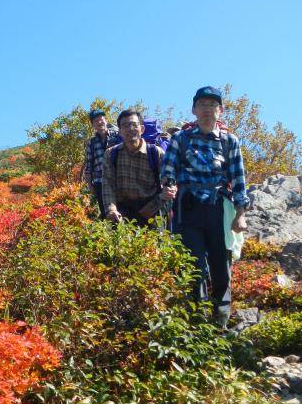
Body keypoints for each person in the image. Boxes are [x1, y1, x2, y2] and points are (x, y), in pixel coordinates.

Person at [160, 87, 248, 327]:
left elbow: (239, 179)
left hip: (219, 208)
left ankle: (220, 321)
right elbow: (168, 169)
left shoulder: (230, 141)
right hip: (188, 209)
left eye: (212, 105)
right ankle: (196, 322)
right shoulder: (182, 138)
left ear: (220, 110)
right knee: (194, 266)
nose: (207, 109)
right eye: (202, 104)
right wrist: (168, 186)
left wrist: (241, 215)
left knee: (222, 265)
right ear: (193, 110)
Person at [103, 109, 169, 227]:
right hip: (122, 211)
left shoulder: (156, 153)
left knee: (155, 245)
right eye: (125, 125)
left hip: (152, 209)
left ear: (142, 129)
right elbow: (108, 184)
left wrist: (152, 207)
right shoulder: (112, 154)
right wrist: (111, 210)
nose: (130, 129)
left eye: (134, 125)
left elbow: (168, 184)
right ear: (120, 131)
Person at [83, 109, 120, 219]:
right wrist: (90, 185)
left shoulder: (117, 135)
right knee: (106, 213)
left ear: (106, 120)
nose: (99, 122)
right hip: (100, 182)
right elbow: (89, 166)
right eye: (95, 121)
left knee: (122, 210)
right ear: (93, 125)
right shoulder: (92, 142)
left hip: (118, 179)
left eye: (101, 119)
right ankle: (111, 235)